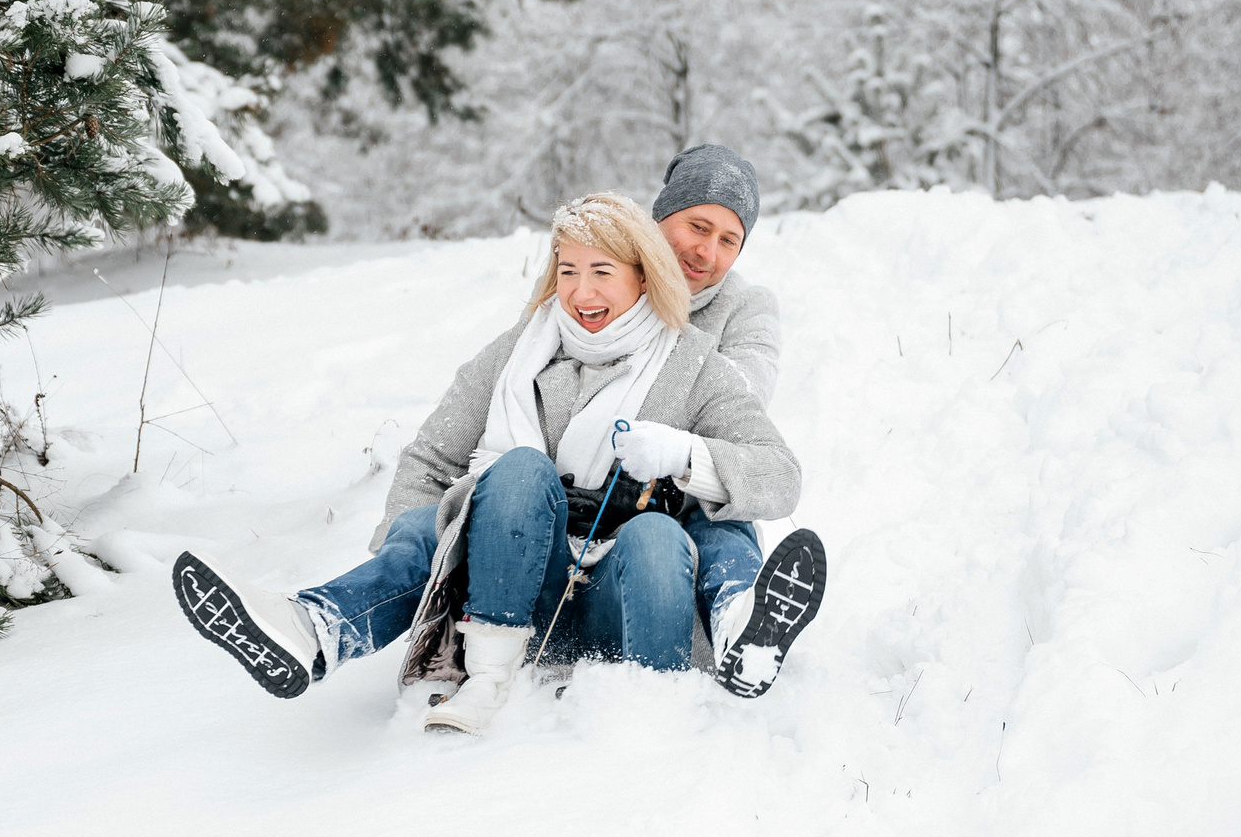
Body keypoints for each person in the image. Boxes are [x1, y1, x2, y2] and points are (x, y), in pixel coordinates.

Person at [171, 192, 824, 734]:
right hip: (513, 588)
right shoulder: (519, 352)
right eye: (568, 271)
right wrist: (417, 554)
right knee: (502, 482)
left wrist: (688, 454)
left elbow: (780, 474)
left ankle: (704, 658)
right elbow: (431, 456)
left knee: (663, 530)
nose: (581, 291)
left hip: (624, 592)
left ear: (643, 275)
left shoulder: (691, 362)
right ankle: (315, 629)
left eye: (603, 273)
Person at [646, 144, 823, 693]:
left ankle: (741, 619)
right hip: (598, 484)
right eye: (698, 227)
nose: (708, 252)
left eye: (730, 240)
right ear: (659, 217)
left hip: (688, 483)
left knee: (722, 509)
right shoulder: (608, 282)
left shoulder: (748, 307)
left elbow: (743, 394)